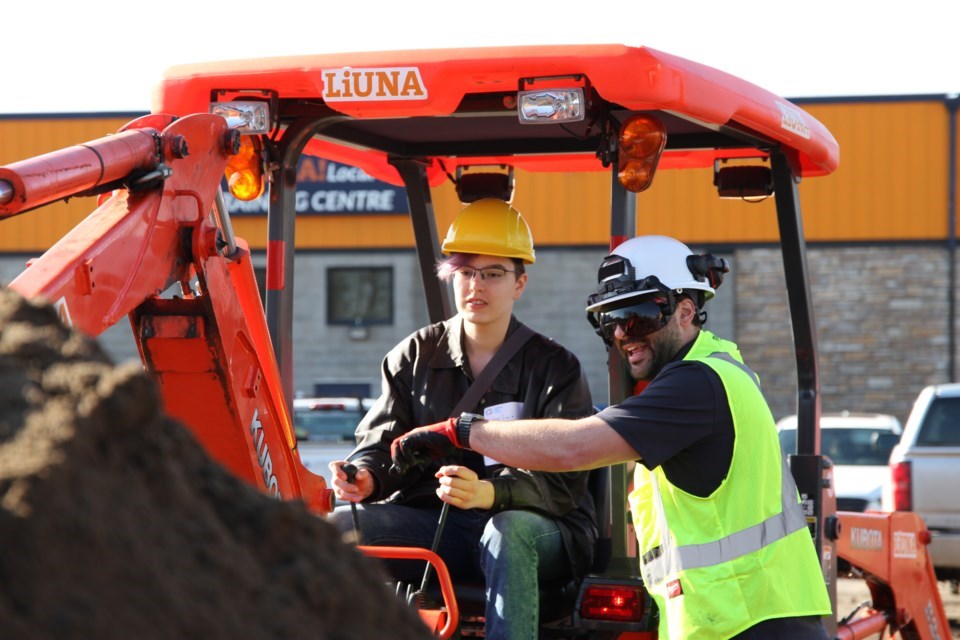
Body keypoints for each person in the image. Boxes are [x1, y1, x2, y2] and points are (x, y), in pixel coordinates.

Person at [392, 235, 833, 640]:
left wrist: (462, 430)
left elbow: (573, 447)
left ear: (685, 310)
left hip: (753, 622)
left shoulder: (697, 384)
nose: (623, 335)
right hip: (733, 618)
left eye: (637, 318)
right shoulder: (711, 371)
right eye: (611, 322)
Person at [327, 198, 598, 640]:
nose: (478, 285)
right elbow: (381, 444)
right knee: (337, 528)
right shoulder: (411, 356)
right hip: (441, 526)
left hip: (539, 529)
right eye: (467, 272)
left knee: (507, 532)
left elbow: (565, 484)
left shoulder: (556, 368)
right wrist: (366, 477)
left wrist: (490, 492)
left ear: (520, 284)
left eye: (493, 274)